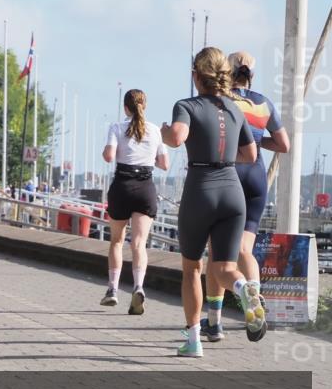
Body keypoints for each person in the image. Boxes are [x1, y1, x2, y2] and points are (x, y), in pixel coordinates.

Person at [161, 47, 261, 358]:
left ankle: (193, 341)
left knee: (193, 268)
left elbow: (177, 137)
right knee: (225, 267)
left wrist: (164, 132)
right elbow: (251, 155)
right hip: (233, 191)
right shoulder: (235, 109)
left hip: (201, 188)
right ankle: (246, 290)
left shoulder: (186, 105)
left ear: (196, 76)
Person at [200, 52, 290, 341]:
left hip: (228, 175)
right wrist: (256, 138)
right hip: (256, 177)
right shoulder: (263, 102)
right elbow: (283, 144)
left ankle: (214, 323)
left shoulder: (220, 101)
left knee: (217, 253)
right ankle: (255, 297)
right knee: (244, 251)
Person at [100, 89, 169, 314]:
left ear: (125, 107)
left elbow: (109, 156)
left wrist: (112, 150)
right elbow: (164, 164)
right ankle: (139, 286)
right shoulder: (155, 130)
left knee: (117, 242)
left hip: (122, 186)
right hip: (145, 187)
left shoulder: (117, 128)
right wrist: (148, 158)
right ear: (144, 106)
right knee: (139, 244)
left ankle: (112, 289)